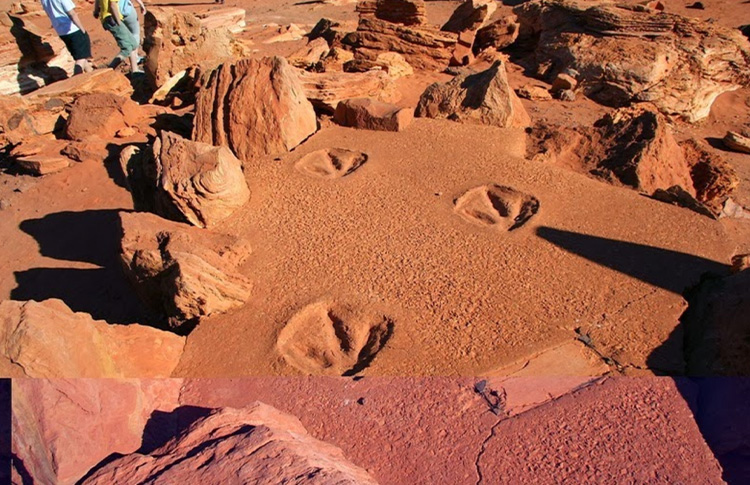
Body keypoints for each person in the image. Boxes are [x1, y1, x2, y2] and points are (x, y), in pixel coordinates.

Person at [39, 0, 93, 74]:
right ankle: (77, 78)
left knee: (81, 57)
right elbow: (72, 13)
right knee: (81, 59)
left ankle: (91, 74)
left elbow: (49, 14)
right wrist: (82, 29)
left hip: (61, 32)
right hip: (73, 29)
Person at [94, 0, 142, 74]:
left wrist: (96, 10)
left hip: (109, 18)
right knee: (126, 49)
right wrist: (119, 22)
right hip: (112, 18)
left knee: (133, 43)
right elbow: (113, 5)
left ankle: (135, 71)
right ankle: (109, 71)